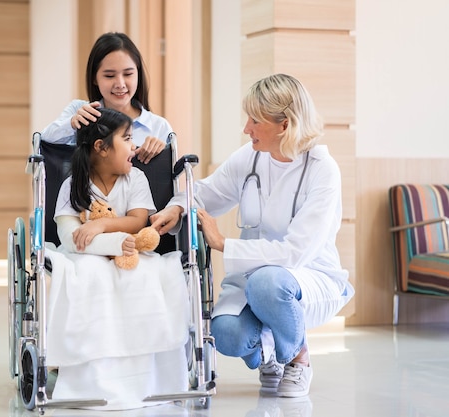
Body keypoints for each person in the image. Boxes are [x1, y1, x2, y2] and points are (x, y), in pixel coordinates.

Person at [150, 73, 354, 398]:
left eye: (255, 120)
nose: (247, 129)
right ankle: (268, 356)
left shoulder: (322, 170)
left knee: (267, 284)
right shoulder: (252, 156)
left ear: (284, 125)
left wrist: (221, 243)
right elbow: (207, 192)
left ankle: (297, 357)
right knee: (226, 333)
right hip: (255, 280)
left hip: (308, 279)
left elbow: (295, 253)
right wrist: (178, 207)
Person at [45, 107, 189, 410]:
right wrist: (103, 242)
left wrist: (100, 226)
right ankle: (92, 371)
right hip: (87, 255)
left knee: (146, 276)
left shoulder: (134, 178)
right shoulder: (74, 184)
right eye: (126, 139)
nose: (134, 147)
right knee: (88, 275)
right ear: (101, 147)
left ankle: (142, 372)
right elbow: (70, 234)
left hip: (131, 249)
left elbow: (138, 221)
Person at [41, 32, 171, 164]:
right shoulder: (79, 111)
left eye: (128, 74)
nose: (120, 84)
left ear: (138, 74)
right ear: (94, 78)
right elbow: (44, 141)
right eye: (109, 76)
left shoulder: (159, 127)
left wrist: (162, 155)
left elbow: (170, 179)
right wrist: (72, 124)